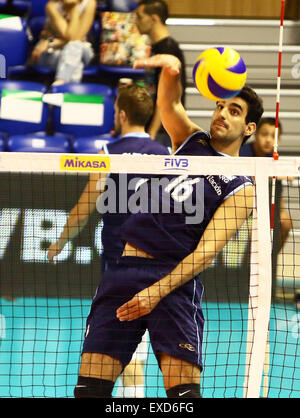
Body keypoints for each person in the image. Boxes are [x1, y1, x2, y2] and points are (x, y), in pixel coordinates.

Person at [72, 53, 264, 399]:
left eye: (234, 111)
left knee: (184, 398)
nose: (222, 114)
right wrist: (172, 70)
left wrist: (156, 292)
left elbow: (206, 253)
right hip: (124, 271)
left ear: (249, 128)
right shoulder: (193, 141)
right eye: (220, 106)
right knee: (89, 391)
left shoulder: (242, 185)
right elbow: (169, 103)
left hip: (174, 285)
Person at [46, 83, 169, 397]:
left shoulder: (107, 154)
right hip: (157, 271)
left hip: (117, 271)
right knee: (136, 358)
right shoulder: (165, 155)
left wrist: (59, 242)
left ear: (123, 114)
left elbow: (83, 209)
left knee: (107, 359)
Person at [135, 0, 186, 146]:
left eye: (139, 16)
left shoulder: (168, 50)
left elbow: (167, 96)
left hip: (163, 132)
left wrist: (152, 132)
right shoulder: (157, 47)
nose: (136, 22)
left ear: (154, 19)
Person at [240, 117, 293, 251]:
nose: (269, 139)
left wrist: (280, 212)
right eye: (264, 134)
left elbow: (278, 191)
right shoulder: (243, 153)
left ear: (278, 140)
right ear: (255, 135)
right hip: (241, 208)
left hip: (264, 210)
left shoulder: (273, 158)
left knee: (285, 220)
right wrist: (273, 173)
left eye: (274, 136)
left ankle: (271, 256)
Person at [30, 0, 97, 85]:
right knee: (75, 61)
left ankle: (60, 83)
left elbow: (74, 38)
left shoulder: (89, 3)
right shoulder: (52, 5)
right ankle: (62, 86)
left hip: (82, 50)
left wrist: (51, 42)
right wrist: (74, 11)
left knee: (74, 46)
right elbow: (71, 37)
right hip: (57, 52)